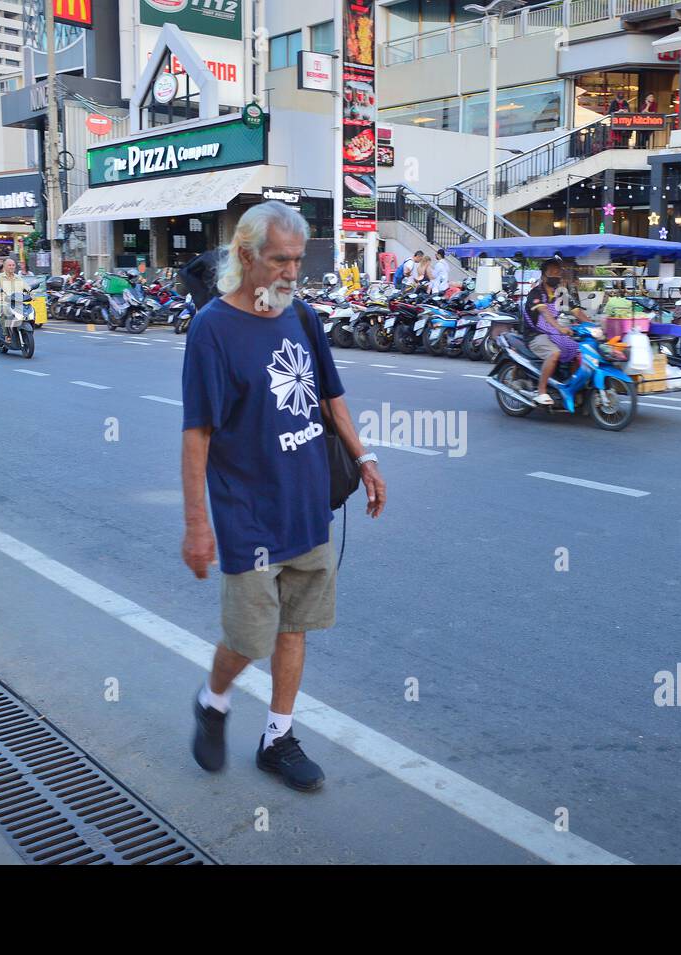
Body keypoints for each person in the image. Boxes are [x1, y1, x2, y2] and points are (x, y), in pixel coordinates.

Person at [182, 201, 387, 792]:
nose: (291, 272)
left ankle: (278, 737)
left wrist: (365, 459)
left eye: (297, 260)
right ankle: (213, 700)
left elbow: (330, 396)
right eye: (280, 260)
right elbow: (197, 434)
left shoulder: (301, 318)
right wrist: (198, 525)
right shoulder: (213, 330)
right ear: (246, 256)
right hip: (247, 512)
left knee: (294, 627)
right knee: (249, 636)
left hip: (308, 503)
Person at [524, 257, 588, 406]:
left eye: (558, 273)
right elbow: (545, 313)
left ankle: (572, 388)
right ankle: (541, 391)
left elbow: (576, 311)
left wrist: (593, 325)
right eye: (552, 272)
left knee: (578, 351)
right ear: (544, 275)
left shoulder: (560, 293)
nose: (556, 276)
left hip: (554, 333)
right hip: (536, 335)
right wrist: (560, 328)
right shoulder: (536, 293)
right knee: (554, 353)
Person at [0, 257, 29, 340]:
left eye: (13, 265)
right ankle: (6, 334)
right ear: (4, 267)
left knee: (28, 310)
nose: (12, 267)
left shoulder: (18, 277)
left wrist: (31, 292)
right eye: (9, 265)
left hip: (16, 302)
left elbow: (26, 287)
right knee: (5, 311)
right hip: (2, 303)